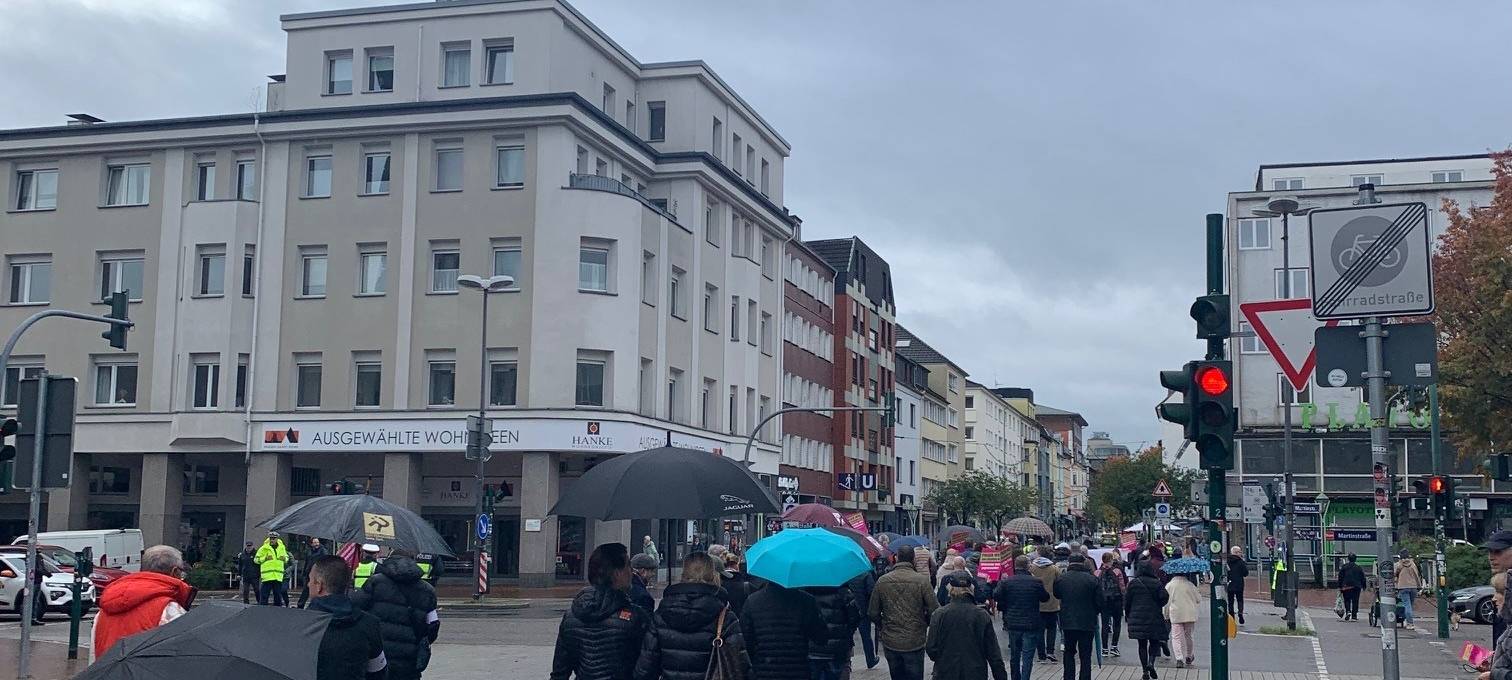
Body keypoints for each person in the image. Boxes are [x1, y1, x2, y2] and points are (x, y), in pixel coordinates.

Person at [634, 551, 750, 680]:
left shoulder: (661, 615)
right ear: (713, 576)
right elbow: (741, 666)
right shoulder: (725, 617)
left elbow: (645, 667)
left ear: (683, 575)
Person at [549, 542, 656, 680]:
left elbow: (559, 672)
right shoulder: (636, 617)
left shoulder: (570, 617)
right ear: (618, 574)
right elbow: (647, 669)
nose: (632, 572)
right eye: (628, 566)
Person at [91, 545, 194, 663]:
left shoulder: (103, 611)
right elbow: (184, 656)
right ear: (175, 572)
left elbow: (94, 658)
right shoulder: (168, 610)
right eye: (182, 572)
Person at [352, 550, 440, 680]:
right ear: (413, 561)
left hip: (377, 656)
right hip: (409, 660)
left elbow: (357, 612)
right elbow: (432, 625)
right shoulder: (427, 590)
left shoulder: (375, 582)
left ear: (389, 560)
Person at [305, 555, 388, 680]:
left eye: (310, 579)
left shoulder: (302, 624)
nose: (307, 584)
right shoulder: (369, 624)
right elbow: (378, 671)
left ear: (319, 585)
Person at [870, 545, 940, 680]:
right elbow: (934, 609)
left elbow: (873, 612)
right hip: (915, 638)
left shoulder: (883, 581)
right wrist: (924, 623)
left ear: (896, 558)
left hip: (891, 638)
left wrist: (883, 626)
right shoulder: (921, 581)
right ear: (913, 559)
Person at [740, 574, 825, 680]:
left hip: (764, 671)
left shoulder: (752, 601)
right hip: (798, 671)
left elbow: (745, 642)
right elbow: (821, 638)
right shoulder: (806, 601)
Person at [927, 572, 1008, 680]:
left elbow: (931, 647)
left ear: (950, 589)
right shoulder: (981, 615)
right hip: (975, 671)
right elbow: (993, 653)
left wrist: (942, 658)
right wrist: (1001, 676)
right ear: (971, 588)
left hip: (946, 671)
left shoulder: (939, 614)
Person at [995, 555, 1049, 680]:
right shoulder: (1036, 582)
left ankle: (1015, 677)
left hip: (1013, 622)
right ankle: (1025, 677)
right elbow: (1045, 597)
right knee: (1027, 656)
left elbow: (997, 596)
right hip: (1031, 622)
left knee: (1015, 655)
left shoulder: (1007, 582)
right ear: (1028, 566)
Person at [1054, 553, 1102, 680]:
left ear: (1069, 563)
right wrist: (1094, 612)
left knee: (1069, 652)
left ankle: (1068, 677)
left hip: (1068, 621)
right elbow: (1100, 602)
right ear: (1083, 563)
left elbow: (1057, 595)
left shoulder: (1062, 579)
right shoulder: (1092, 580)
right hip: (1088, 621)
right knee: (1085, 654)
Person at [803, 578, 862, 680]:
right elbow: (855, 618)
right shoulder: (844, 593)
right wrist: (846, 633)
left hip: (812, 650)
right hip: (837, 651)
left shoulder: (804, 594)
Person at [1125, 561, 1169, 680]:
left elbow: (1127, 600)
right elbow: (1164, 597)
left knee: (1142, 644)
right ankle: (1151, 662)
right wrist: (1159, 604)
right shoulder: (1157, 583)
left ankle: (1145, 671)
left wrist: (1128, 614)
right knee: (1154, 642)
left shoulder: (1133, 583)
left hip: (1137, 617)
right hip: (1153, 616)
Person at [849, 559, 882, 669]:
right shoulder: (865, 574)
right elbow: (872, 592)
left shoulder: (846, 576)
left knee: (848, 636)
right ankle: (870, 659)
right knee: (866, 636)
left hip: (849, 610)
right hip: (863, 610)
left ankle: (847, 660)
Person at [1030, 547, 1061, 663]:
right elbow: (1058, 583)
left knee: (1039, 630)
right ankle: (1050, 652)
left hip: (1037, 603)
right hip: (1052, 603)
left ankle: (1041, 654)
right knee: (1052, 628)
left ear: (1038, 554)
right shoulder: (1054, 568)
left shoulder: (1032, 568)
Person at [1163, 573, 1200, 668]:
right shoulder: (1190, 585)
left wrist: (1166, 615)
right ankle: (1189, 655)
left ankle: (1179, 658)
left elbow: (1166, 602)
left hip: (1176, 614)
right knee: (1189, 636)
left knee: (1176, 637)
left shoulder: (1170, 585)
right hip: (1189, 613)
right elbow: (1198, 599)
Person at [1097, 552, 1127, 657]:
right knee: (1117, 624)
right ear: (1111, 560)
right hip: (1116, 601)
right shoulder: (1117, 571)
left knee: (1104, 625)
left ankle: (1104, 649)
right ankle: (1114, 647)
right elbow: (1122, 587)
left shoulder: (1097, 572)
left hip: (1104, 602)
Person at [255, 531, 291, 607]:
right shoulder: (263, 548)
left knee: (278, 596)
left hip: (278, 576)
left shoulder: (281, 548)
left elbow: (287, 558)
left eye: (274, 538)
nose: (272, 540)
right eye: (271, 538)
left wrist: (284, 558)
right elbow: (256, 560)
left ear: (277, 539)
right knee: (264, 596)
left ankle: (277, 610)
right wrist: (265, 558)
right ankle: (262, 610)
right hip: (267, 577)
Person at [1395, 550, 1422, 631]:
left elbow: (1395, 574)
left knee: (1407, 605)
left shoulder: (1399, 565)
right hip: (1413, 587)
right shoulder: (1413, 564)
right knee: (1410, 605)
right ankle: (1409, 622)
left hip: (1403, 587)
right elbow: (1416, 575)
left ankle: (1410, 623)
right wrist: (1419, 586)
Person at [299, 537, 329, 609]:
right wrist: (304, 572)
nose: (316, 544)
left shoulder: (323, 551)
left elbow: (325, 561)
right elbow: (307, 562)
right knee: (306, 590)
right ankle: (300, 604)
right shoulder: (309, 551)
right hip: (309, 573)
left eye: (317, 542)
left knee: (318, 590)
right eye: (315, 542)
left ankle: (318, 605)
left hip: (318, 573)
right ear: (311, 543)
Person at [1337, 553, 1366, 622]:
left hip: (1346, 586)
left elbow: (1340, 577)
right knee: (1355, 601)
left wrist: (1340, 586)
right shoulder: (1358, 567)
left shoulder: (1344, 567)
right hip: (1356, 586)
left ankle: (1348, 611)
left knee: (1347, 600)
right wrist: (1364, 586)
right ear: (1355, 559)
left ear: (1348, 559)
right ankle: (1354, 615)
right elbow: (1362, 577)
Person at [1224, 547, 1248, 625]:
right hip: (1239, 583)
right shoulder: (1241, 562)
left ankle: (1232, 617)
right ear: (1237, 553)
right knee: (1240, 599)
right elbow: (1245, 573)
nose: (1241, 553)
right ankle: (1240, 613)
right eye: (1239, 552)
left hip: (1230, 583)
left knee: (1230, 601)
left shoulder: (1227, 561)